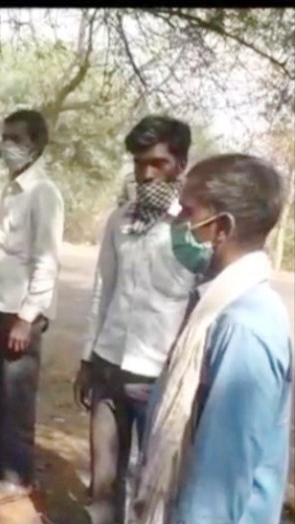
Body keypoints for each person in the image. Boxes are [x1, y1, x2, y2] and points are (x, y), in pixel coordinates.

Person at [133, 154, 293, 524]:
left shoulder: (244, 327)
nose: (176, 222)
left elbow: (217, 492)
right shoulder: (216, 306)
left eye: (187, 212)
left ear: (221, 227)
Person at [73, 116, 195, 524]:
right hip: (109, 364)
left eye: (157, 163)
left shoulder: (195, 228)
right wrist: (87, 359)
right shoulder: (119, 220)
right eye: (139, 163)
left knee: (155, 483)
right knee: (103, 479)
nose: (146, 174)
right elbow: (102, 290)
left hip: (158, 375)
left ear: (180, 164)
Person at [0, 109, 65, 504]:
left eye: (17, 139)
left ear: (36, 146)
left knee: (17, 397)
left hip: (19, 314)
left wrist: (27, 318)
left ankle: (17, 475)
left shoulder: (43, 193)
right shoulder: (12, 191)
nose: (8, 146)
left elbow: (46, 260)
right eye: (5, 137)